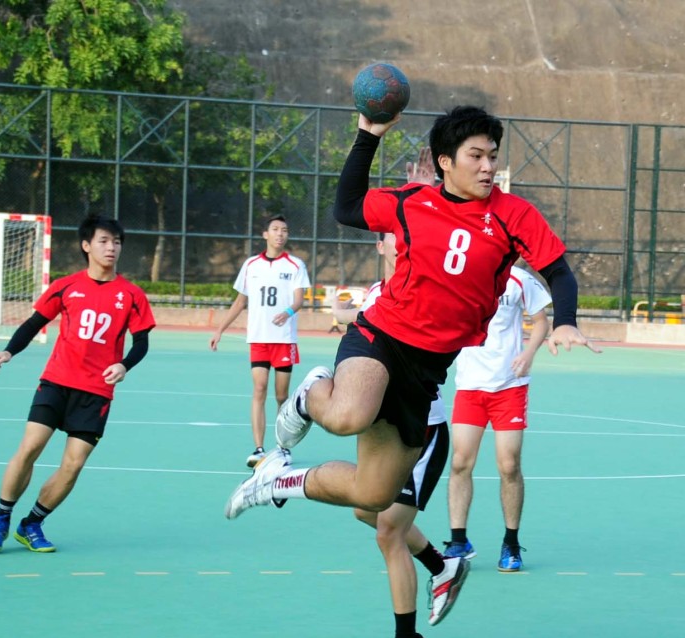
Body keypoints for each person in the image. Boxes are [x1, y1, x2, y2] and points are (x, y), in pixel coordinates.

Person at [224, 105, 597, 565]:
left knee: (374, 494)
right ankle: (310, 397)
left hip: (427, 368)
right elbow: (346, 207)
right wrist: (368, 135)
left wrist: (565, 320)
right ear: (445, 161)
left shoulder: (513, 215)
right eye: (476, 155)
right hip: (382, 336)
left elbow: (559, 271)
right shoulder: (411, 203)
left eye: (493, 156)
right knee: (346, 417)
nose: (488, 166)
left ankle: (278, 481)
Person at [0, 214, 156, 553]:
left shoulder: (132, 295)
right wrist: (8, 350)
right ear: (86, 246)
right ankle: (1, 517)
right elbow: (34, 323)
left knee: (73, 465)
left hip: (96, 392)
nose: (111, 248)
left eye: (116, 242)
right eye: (104, 241)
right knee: (30, 447)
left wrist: (124, 365)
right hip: (57, 382)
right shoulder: (66, 285)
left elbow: (142, 342)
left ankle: (31, 524)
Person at [353, 231, 466, 638]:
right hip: (384, 428)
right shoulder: (375, 296)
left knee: (387, 531)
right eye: (390, 237)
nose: (399, 242)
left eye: (406, 235)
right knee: (365, 508)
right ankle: (443, 566)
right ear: (379, 246)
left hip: (421, 431)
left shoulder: (423, 294)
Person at [443, 265, 551, 572]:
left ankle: (511, 543)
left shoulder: (520, 279)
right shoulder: (462, 273)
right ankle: (458, 540)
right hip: (469, 385)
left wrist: (529, 353)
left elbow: (542, 322)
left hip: (509, 386)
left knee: (509, 464)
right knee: (460, 462)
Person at [209, 215, 311, 467]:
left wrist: (287, 312)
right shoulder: (251, 265)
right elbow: (240, 302)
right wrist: (220, 329)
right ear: (265, 234)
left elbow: (299, 300)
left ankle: (282, 447)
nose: (280, 234)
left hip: (284, 340)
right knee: (259, 389)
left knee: (281, 395)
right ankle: (258, 449)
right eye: (275, 229)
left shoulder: (295, 265)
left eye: (284, 230)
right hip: (258, 339)